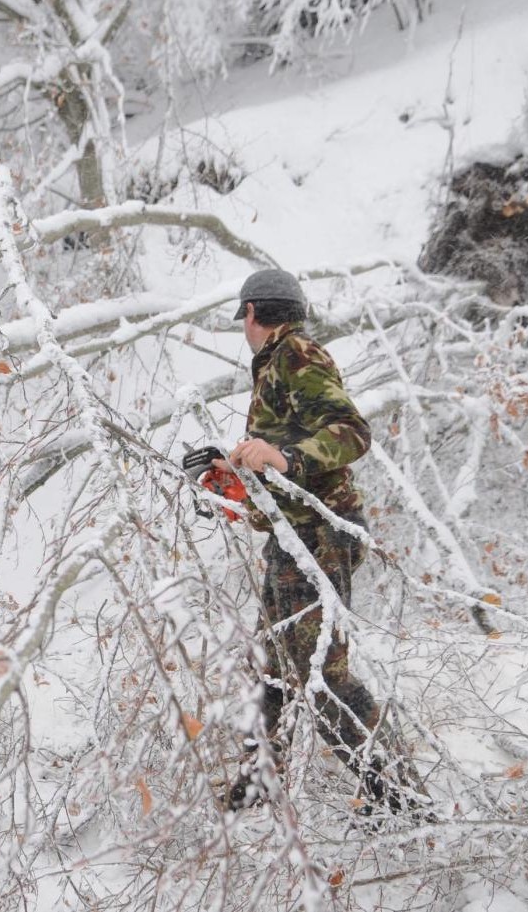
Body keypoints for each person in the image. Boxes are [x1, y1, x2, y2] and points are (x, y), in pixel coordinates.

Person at [213, 268, 407, 813]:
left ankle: (399, 796)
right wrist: (226, 477)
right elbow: (282, 470)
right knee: (271, 670)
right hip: (290, 536)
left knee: (321, 678)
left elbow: (351, 432)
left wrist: (285, 457)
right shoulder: (276, 364)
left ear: (252, 313)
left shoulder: (298, 355)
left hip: (319, 538)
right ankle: (258, 784)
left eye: (243, 318)